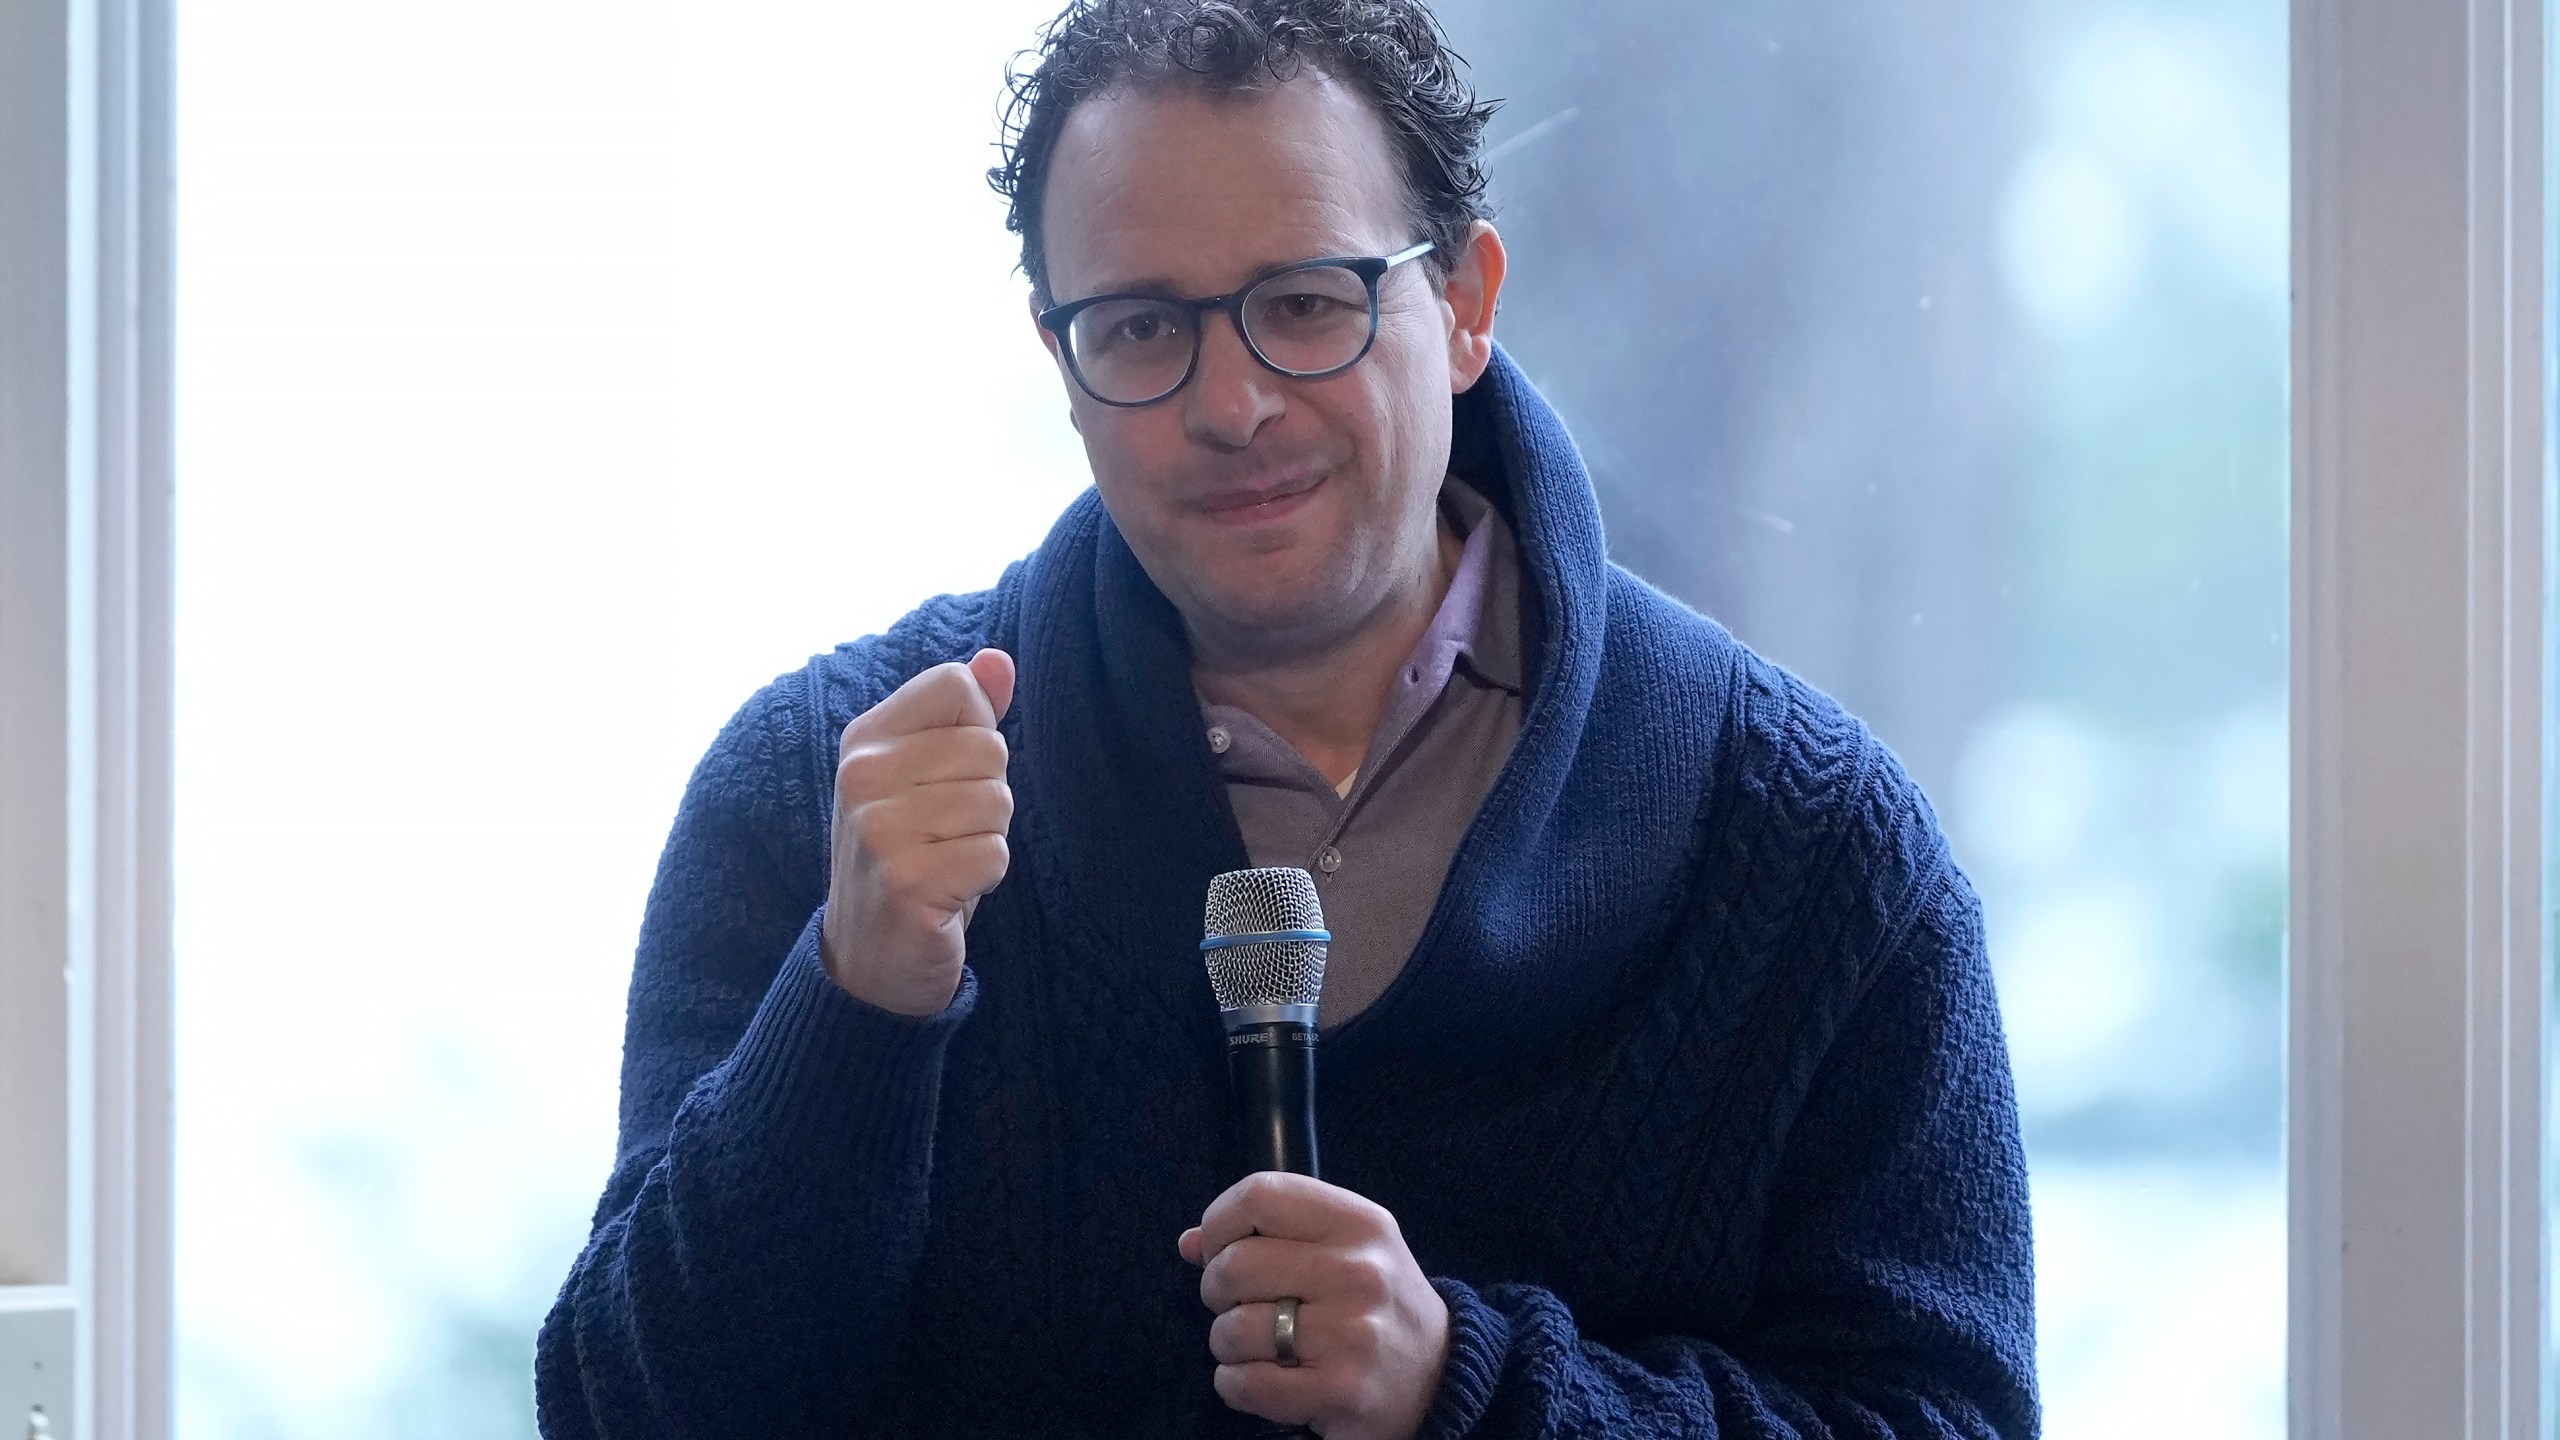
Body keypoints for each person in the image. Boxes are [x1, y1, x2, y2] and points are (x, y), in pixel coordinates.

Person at [534, 1, 2037, 1436]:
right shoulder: (829, 795)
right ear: (1062, 364)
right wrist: (857, 1008)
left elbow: (1949, 1419)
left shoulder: (1811, 851)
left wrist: (1472, 1389)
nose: (1233, 404)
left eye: (1306, 304)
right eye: (1137, 330)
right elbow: (626, 1416)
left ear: (1463, 306)